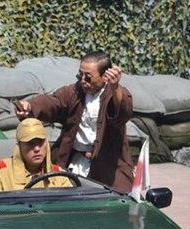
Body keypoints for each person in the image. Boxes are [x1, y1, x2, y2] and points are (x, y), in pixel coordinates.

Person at [14, 51, 134, 192]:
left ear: (105, 76)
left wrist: (115, 88)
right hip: (76, 162)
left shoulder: (113, 94)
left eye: (88, 78)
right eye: (80, 75)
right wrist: (30, 106)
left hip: (107, 166)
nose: (83, 81)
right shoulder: (74, 92)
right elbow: (54, 102)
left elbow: (122, 112)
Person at [0, 118, 73, 193]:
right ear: (19, 147)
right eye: (30, 143)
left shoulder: (59, 175)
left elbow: (70, 205)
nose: (37, 149)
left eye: (40, 142)